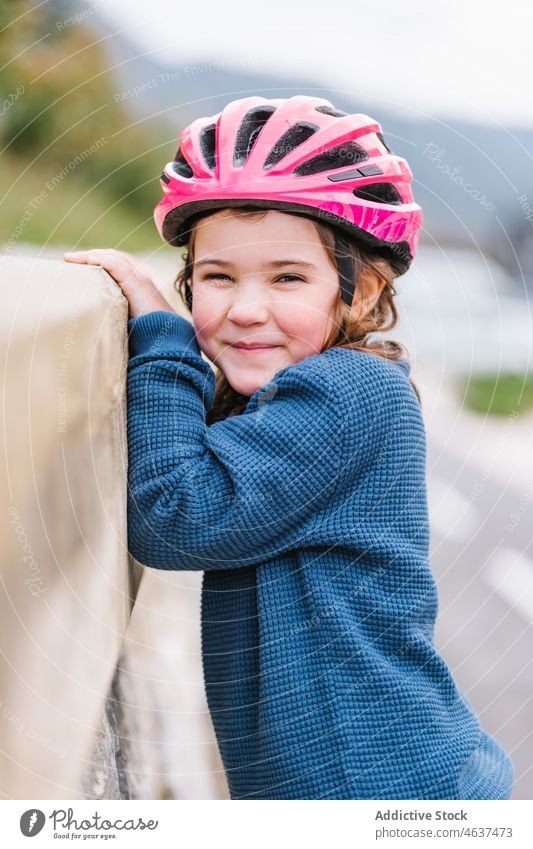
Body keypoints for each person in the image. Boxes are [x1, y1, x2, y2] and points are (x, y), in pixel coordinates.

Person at [63, 95, 514, 800]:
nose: (246, 308)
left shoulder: (348, 392)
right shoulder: (305, 390)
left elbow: (176, 513)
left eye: (286, 277)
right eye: (217, 276)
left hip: (374, 791)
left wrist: (161, 337)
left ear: (359, 291)